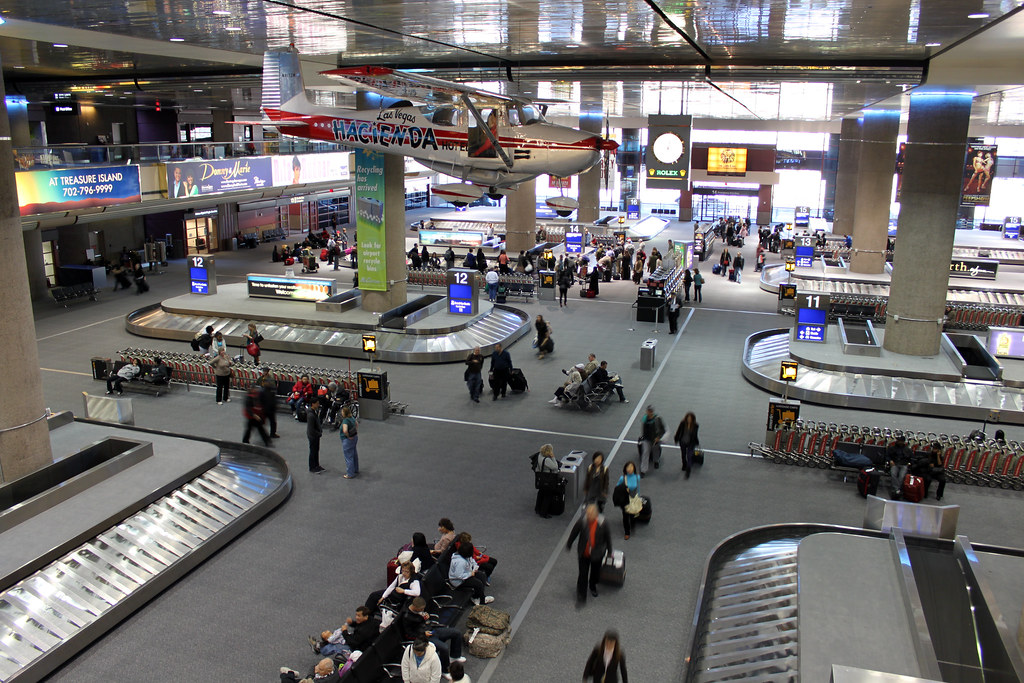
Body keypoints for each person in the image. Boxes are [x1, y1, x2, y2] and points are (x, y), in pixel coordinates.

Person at [566, 503, 612, 602]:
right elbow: (574, 532)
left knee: (595, 571)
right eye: (588, 515)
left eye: (591, 515)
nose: (589, 517)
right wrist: (569, 543)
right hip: (584, 552)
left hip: (597, 553)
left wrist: (610, 551)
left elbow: (608, 537)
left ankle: (592, 585)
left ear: (596, 514)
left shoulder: (603, 523)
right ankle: (581, 594)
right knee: (583, 574)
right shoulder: (582, 521)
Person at [310, 605, 376, 658]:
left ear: (365, 616)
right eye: (356, 615)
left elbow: (352, 643)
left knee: (336, 646)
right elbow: (359, 626)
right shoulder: (370, 620)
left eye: (358, 616)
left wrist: (344, 631)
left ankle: (319, 649)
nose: (356, 617)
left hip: (357, 649)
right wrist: (352, 623)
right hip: (360, 642)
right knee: (336, 641)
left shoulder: (363, 631)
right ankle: (321, 645)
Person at [614, 461, 640, 540]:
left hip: (634, 499)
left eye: (631, 467)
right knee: (625, 516)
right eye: (628, 467)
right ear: (625, 469)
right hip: (625, 500)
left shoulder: (637, 477)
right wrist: (625, 489)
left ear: (634, 468)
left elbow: (638, 488)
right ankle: (627, 532)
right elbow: (617, 488)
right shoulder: (623, 478)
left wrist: (638, 497)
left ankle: (633, 524)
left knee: (633, 514)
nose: (630, 469)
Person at [534, 443, 561, 518]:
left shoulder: (539, 456)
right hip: (548, 479)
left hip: (541, 478)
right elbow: (555, 467)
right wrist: (553, 457)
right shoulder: (547, 460)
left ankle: (537, 508)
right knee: (548, 496)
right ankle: (543, 512)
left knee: (541, 493)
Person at [638, 405, 666, 475]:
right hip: (646, 439)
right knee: (645, 453)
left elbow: (663, 430)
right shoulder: (644, 418)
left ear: (653, 412)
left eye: (651, 411)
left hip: (655, 439)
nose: (649, 412)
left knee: (656, 450)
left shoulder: (658, 419)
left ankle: (656, 461)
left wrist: (658, 437)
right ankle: (643, 470)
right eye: (648, 411)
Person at [886, 435, 913, 499]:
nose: (899, 442)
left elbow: (912, 458)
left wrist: (909, 463)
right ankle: (897, 490)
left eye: (901, 441)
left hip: (904, 464)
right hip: (895, 463)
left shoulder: (908, 449)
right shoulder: (892, 448)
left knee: (902, 476)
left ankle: (896, 489)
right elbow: (887, 456)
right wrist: (890, 460)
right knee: (893, 474)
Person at [675, 412, 700, 478]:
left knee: (689, 456)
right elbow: (678, 431)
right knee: (683, 454)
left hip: (691, 443)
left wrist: (696, 442)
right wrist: (676, 438)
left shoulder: (695, 425)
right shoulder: (682, 423)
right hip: (683, 441)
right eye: (688, 418)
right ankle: (684, 464)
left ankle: (688, 470)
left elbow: (695, 435)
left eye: (690, 419)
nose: (689, 420)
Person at [306, 397, 325, 473]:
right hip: (313, 436)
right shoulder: (311, 415)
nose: (318, 405)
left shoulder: (314, 412)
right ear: (313, 404)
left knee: (316, 450)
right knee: (313, 451)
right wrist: (318, 433)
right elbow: (311, 429)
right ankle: (312, 467)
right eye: (317, 403)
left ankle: (316, 465)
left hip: (315, 435)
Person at [340, 404, 359, 479]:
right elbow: (356, 424)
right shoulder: (352, 418)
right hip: (355, 438)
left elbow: (345, 430)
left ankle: (350, 473)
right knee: (354, 454)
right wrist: (354, 432)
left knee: (348, 456)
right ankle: (356, 469)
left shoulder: (345, 421)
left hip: (347, 440)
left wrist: (348, 436)